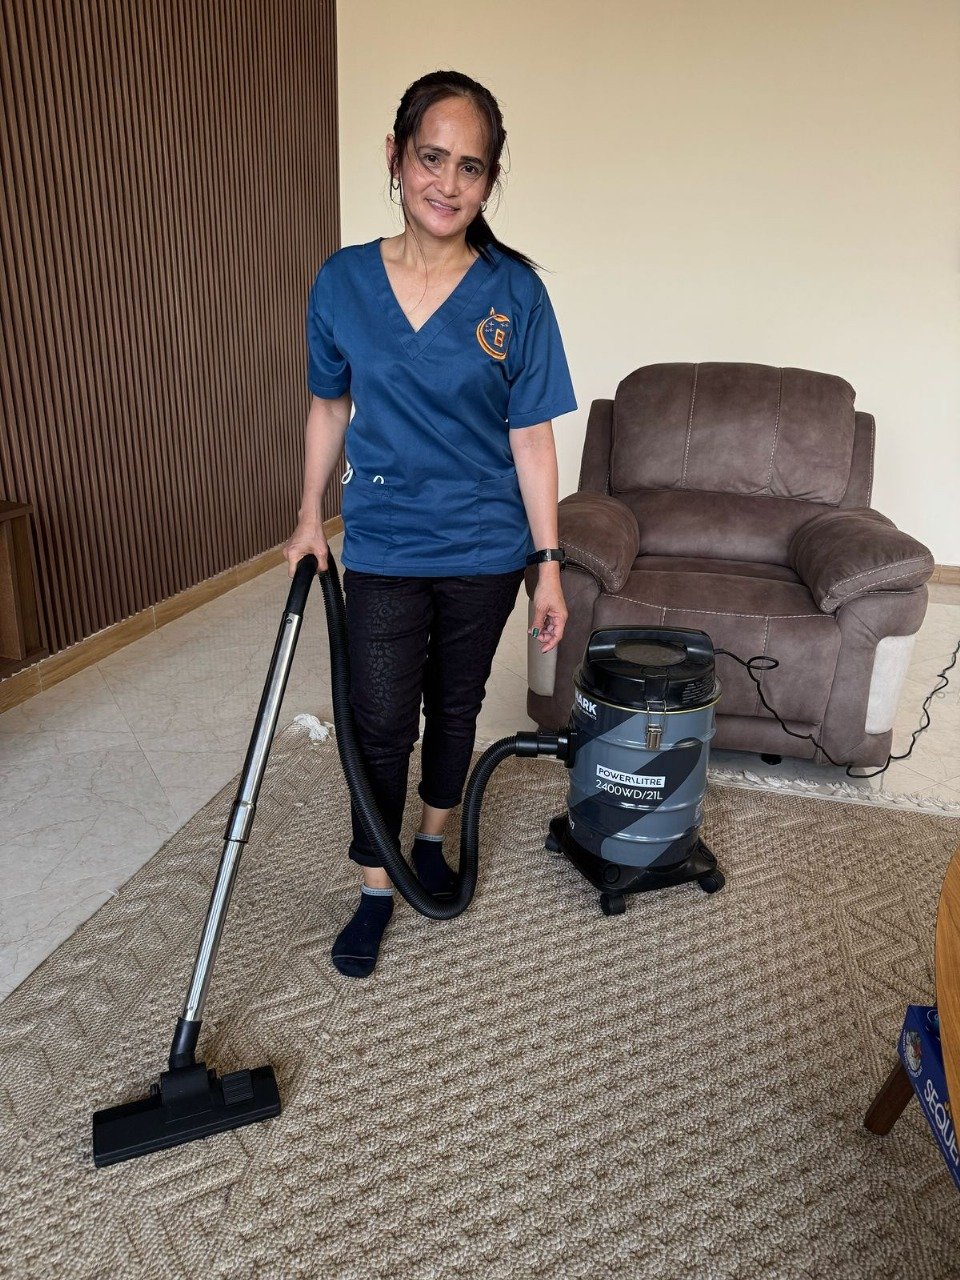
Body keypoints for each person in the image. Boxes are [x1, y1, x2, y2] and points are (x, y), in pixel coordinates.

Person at [283, 70, 577, 978]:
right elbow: (328, 408)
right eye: (432, 158)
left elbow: (531, 438)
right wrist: (307, 520)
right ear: (397, 157)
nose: (448, 183)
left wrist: (550, 564)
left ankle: (435, 841)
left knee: (455, 704)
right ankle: (377, 881)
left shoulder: (514, 296)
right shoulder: (343, 283)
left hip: (486, 547)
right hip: (382, 542)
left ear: (490, 183)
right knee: (377, 718)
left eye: (472, 168)